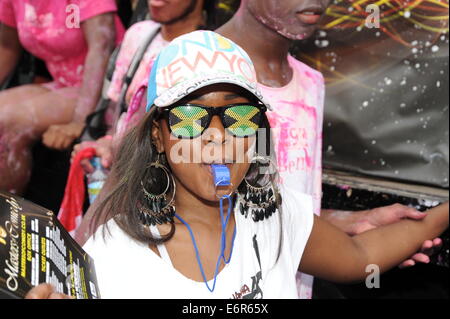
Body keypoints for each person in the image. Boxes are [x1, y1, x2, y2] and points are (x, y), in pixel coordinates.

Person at [26, 31, 449, 299]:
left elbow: (358, 255)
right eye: (191, 119)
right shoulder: (114, 254)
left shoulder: (272, 217)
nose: (218, 136)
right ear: (157, 134)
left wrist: (437, 219)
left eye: (240, 117)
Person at [215, 0, 443, 298]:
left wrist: (351, 222)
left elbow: (280, 205)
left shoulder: (311, 82)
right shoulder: (191, 71)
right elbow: (151, 204)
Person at [72, 0, 217, 174]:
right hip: (119, 166)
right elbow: (116, 112)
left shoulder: (210, 56)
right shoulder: (139, 35)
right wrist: (105, 142)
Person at [0, 0, 125, 195]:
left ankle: (10, 217)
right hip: (62, 83)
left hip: (108, 91)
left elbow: (101, 48)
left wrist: (79, 121)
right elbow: (6, 46)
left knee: (9, 123)